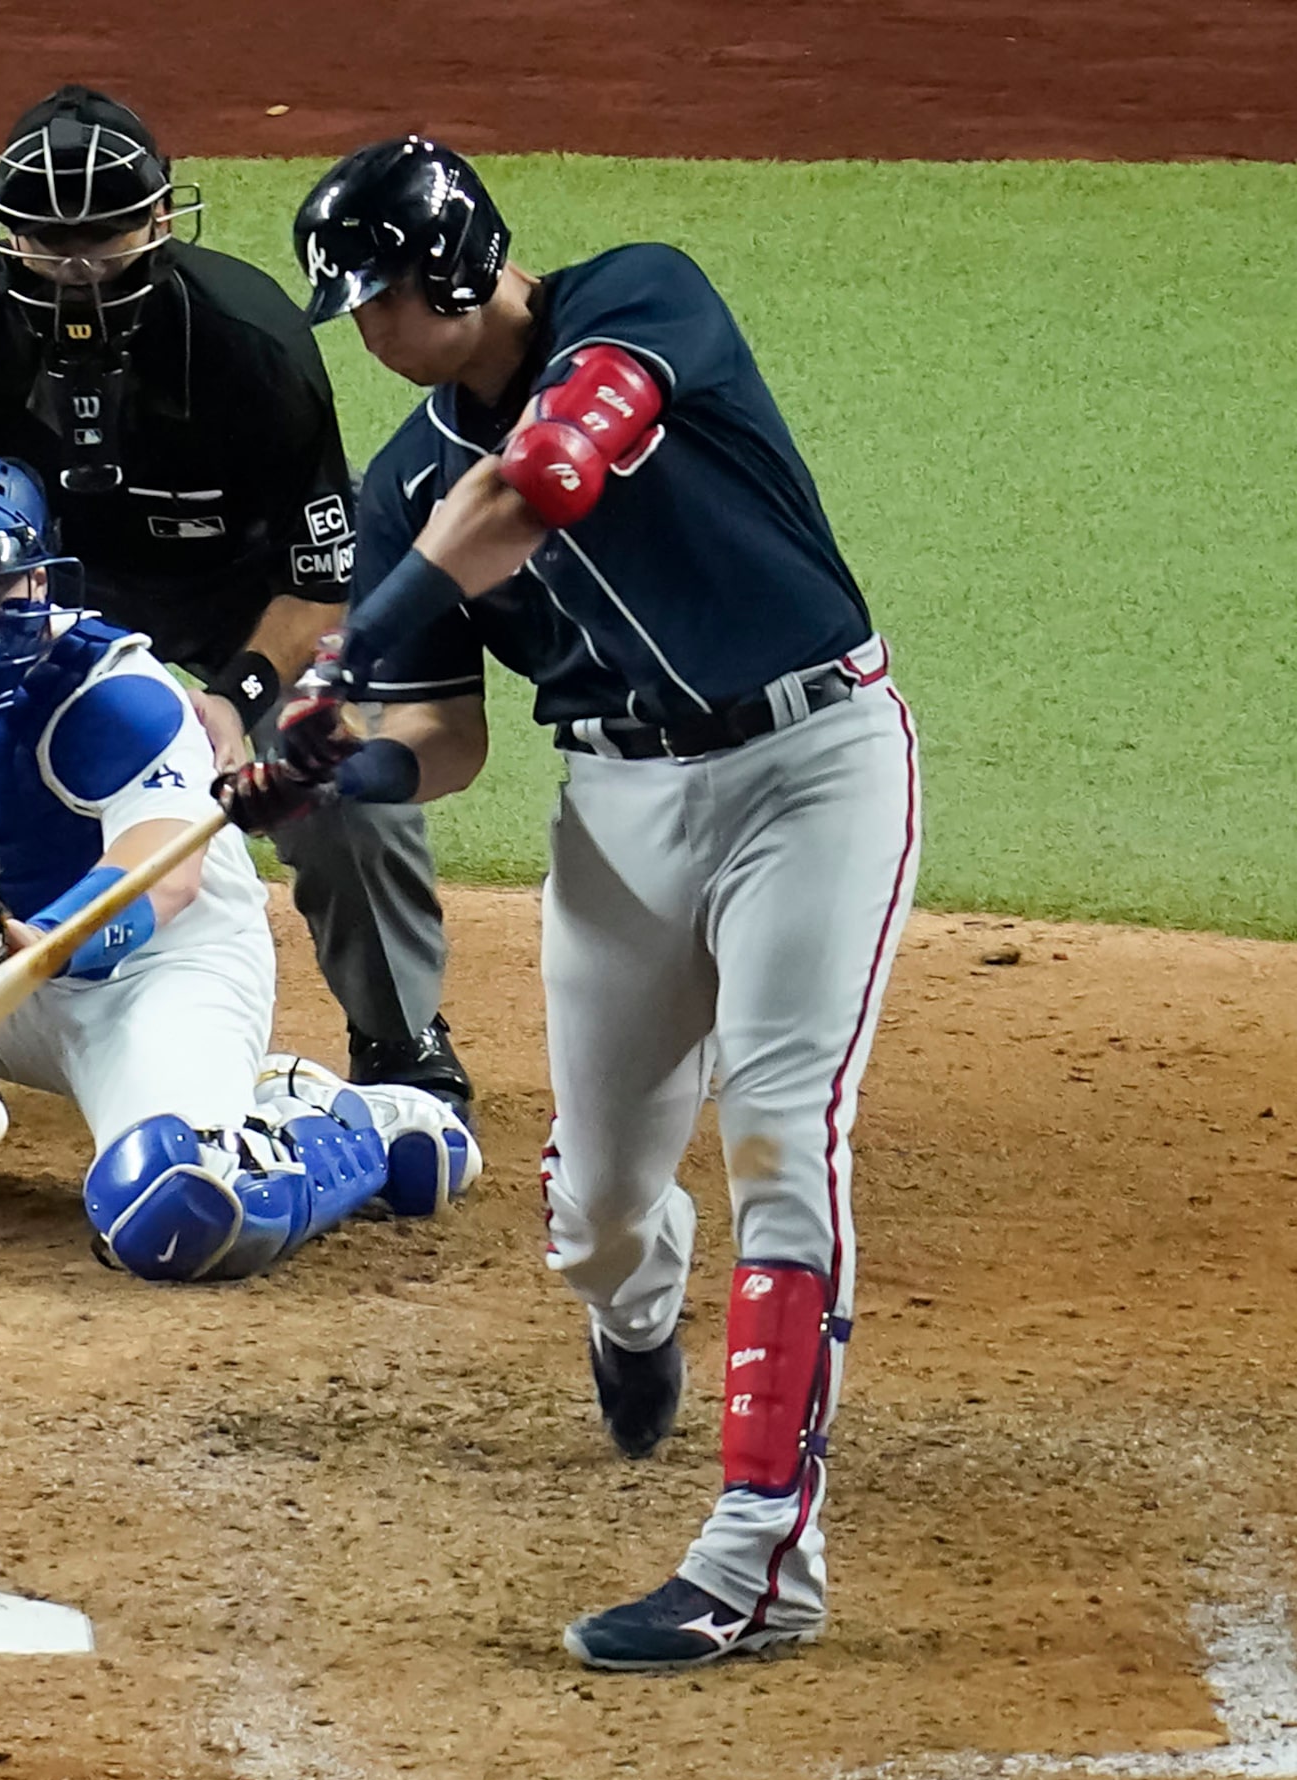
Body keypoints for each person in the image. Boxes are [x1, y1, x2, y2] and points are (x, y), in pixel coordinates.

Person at [222, 138, 923, 1668]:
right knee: (598, 1207)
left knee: (781, 1134)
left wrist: (339, 652)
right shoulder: (404, 475)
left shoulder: (639, 302)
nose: (368, 332)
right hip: (621, 808)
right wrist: (334, 779)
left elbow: (542, 475)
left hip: (814, 767)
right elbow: (447, 739)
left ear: (458, 272)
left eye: (379, 301)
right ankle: (632, 1304)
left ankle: (755, 1559)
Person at [0, 84, 471, 1115]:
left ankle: (398, 1041)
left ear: (161, 219)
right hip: (3, 606)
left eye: (104, 231)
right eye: (40, 234)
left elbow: (321, 580)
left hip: (230, 601)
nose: (75, 262)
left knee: (329, 757)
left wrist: (239, 694)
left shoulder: (250, 345)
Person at [0, 449, 478, 1278]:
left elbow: (163, 873)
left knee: (176, 1212)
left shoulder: (109, 691)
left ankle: (352, 1124)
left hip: (146, 975)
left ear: (37, 584)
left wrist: (54, 939)